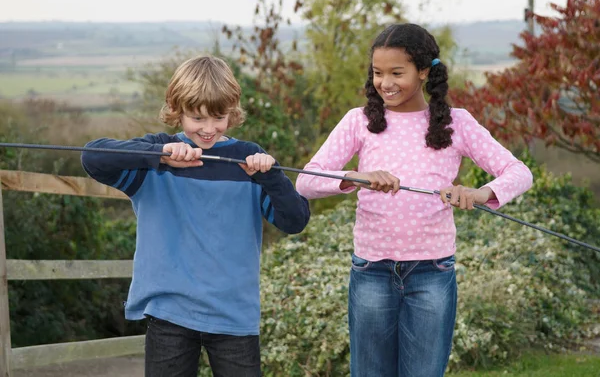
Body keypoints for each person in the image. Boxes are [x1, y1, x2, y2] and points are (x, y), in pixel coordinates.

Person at [295, 23, 533, 377]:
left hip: (432, 273)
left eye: (396, 73)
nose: (385, 83)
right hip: (371, 270)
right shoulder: (358, 122)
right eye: (377, 73)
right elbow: (305, 181)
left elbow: (519, 172)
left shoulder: (457, 124)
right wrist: (353, 177)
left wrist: (481, 193)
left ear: (423, 72)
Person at [81, 55, 310, 377]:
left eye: (218, 118)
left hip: (235, 314)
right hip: (169, 312)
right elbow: (93, 156)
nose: (208, 129)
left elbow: (295, 221)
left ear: (232, 111)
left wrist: (270, 176)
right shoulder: (157, 156)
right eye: (196, 118)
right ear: (177, 110)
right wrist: (158, 157)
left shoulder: (248, 160)